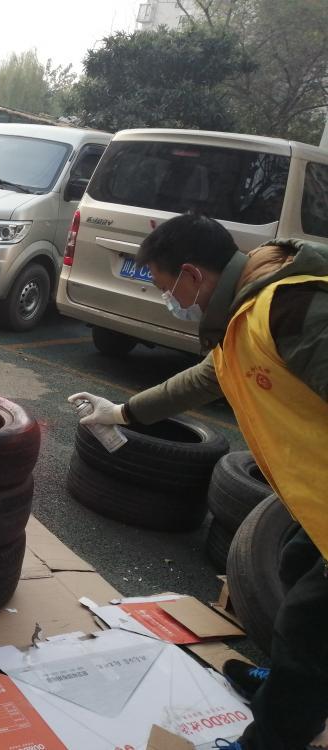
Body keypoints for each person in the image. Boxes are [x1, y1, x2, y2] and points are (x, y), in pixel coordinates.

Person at [68, 214, 328, 750]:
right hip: (316, 498)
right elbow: (208, 376)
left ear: (191, 275)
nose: (170, 302)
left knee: (308, 625)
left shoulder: (296, 308)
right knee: (295, 563)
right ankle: (294, 688)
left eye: (166, 289)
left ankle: (275, 734)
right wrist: (122, 413)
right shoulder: (249, 314)